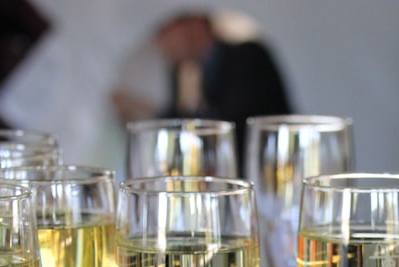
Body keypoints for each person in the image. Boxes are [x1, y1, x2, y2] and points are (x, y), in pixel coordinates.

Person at [111, 11, 292, 162]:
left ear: (194, 26)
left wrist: (148, 110)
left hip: (273, 166)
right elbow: (187, 126)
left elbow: (222, 129)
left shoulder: (248, 56)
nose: (161, 44)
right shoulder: (185, 72)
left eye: (165, 33)